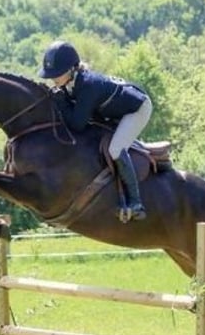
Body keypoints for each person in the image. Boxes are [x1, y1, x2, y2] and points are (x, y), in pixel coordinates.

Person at [38, 40, 151, 222]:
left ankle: (136, 203)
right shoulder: (74, 82)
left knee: (115, 149)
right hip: (114, 109)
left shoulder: (88, 85)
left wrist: (60, 101)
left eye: (57, 73)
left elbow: (77, 124)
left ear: (71, 69)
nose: (53, 78)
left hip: (137, 109)